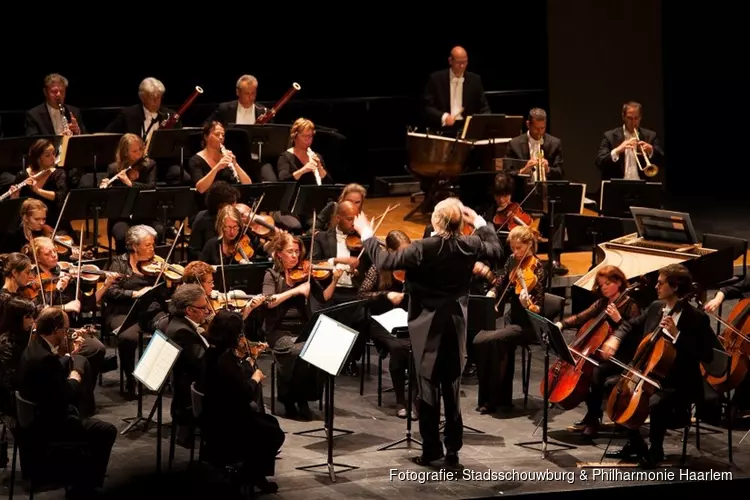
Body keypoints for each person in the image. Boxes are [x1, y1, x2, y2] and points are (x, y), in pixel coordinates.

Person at [352, 197, 503, 466]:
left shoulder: (424, 248)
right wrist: (479, 221)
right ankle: (453, 450)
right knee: (452, 390)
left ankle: (431, 448)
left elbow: (385, 260)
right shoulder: (468, 244)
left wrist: (366, 233)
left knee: (429, 389)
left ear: (436, 221)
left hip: (427, 327)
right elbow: (495, 248)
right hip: (455, 325)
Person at [600, 264, 715, 467]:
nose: (656, 286)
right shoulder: (656, 307)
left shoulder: (696, 318)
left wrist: (677, 335)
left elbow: (706, 354)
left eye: (661, 283)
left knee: (655, 402)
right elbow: (630, 324)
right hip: (650, 374)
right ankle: (635, 443)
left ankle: (656, 449)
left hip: (680, 382)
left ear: (675, 287)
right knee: (612, 385)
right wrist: (615, 339)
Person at [16, 307, 117, 497]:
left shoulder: (35, 345)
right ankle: (85, 487)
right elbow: (67, 393)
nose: (67, 333)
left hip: (35, 415)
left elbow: (51, 375)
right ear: (56, 330)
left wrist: (70, 356)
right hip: (48, 425)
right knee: (106, 430)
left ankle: (78, 469)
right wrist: (75, 374)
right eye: (66, 328)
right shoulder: (45, 358)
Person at [201, 310, 284, 494]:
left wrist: (247, 362)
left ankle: (256, 473)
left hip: (215, 415)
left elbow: (233, 382)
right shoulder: (224, 360)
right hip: (228, 423)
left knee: (271, 422)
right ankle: (250, 473)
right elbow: (244, 393)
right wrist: (255, 377)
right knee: (274, 434)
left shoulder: (212, 352)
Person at [554, 265, 641, 437]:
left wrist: (618, 319)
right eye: (601, 284)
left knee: (596, 372)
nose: (604, 287)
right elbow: (582, 316)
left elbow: (634, 337)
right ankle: (591, 413)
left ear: (618, 282)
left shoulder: (630, 305)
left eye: (608, 283)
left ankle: (594, 418)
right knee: (588, 371)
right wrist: (562, 324)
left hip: (622, 356)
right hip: (599, 354)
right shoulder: (602, 303)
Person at [474, 225, 545, 414]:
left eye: (519, 248)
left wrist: (526, 303)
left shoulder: (538, 268)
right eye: (513, 248)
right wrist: (492, 291)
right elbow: (502, 282)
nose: (515, 252)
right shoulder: (512, 260)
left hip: (527, 323)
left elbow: (539, 306)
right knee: (487, 341)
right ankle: (492, 399)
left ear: (529, 245)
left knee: (493, 339)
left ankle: (494, 400)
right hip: (510, 317)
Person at [261, 232, 328, 419]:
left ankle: (304, 397)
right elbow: (269, 301)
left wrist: (336, 278)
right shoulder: (272, 275)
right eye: (290, 251)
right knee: (297, 351)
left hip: (303, 328)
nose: (295, 256)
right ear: (279, 253)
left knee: (317, 350)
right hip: (279, 330)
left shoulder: (306, 274)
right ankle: (289, 399)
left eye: (297, 252)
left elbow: (324, 297)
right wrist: (296, 291)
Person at [357, 229, 416, 418]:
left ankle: (415, 399)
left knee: (417, 347)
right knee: (398, 348)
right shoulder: (379, 267)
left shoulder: (414, 268)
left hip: (408, 319)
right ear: (389, 251)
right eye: (400, 253)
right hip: (381, 321)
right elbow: (362, 294)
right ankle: (401, 400)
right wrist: (385, 294)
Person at [422, 46, 491, 129]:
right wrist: (444, 117)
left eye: (464, 62)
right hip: (442, 129)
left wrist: (484, 120)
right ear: (450, 61)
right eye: (459, 63)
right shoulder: (436, 79)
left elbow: (484, 107)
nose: (462, 66)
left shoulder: (475, 80)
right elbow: (427, 107)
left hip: (466, 128)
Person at [595, 101, 665, 180]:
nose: (633, 122)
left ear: (641, 117)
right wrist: (618, 150)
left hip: (642, 186)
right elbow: (599, 162)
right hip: (617, 186)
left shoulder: (650, 136)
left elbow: (662, 162)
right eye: (629, 118)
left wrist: (651, 151)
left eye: (636, 118)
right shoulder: (610, 136)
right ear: (623, 117)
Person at [189, 120, 253, 194]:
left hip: (229, 198)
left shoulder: (226, 157)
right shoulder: (196, 160)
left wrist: (235, 164)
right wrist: (218, 167)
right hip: (208, 201)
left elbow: (248, 184)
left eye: (223, 135)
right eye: (217, 134)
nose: (221, 137)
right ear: (206, 137)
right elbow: (200, 188)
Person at [504, 108, 564, 181]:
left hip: (547, 190)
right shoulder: (514, 144)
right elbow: (506, 173)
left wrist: (547, 169)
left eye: (542, 128)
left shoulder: (555, 143)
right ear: (528, 124)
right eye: (536, 128)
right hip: (523, 190)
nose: (540, 132)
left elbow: (560, 173)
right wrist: (523, 171)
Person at [276, 118, 331, 185]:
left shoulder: (317, 156)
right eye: (304, 136)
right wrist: (303, 170)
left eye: (310, 136)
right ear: (295, 136)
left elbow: (329, 184)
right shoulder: (285, 157)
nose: (308, 139)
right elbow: (282, 180)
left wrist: (320, 169)